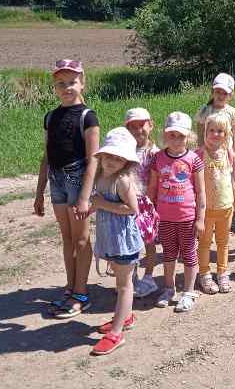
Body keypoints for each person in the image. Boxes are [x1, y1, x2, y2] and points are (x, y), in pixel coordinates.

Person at [34, 59, 99, 319]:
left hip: (77, 179)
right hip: (57, 180)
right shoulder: (51, 116)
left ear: (82, 82)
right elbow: (46, 155)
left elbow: (94, 158)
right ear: (55, 87)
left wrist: (85, 196)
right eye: (61, 83)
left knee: (81, 238)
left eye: (71, 82)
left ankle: (81, 294)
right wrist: (40, 191)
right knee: (67, 238)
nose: (66, 87)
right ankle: (70, 287)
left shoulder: (88, 116)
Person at [87, 127, 144, 355]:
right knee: (119, 282)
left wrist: (101, 204)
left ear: (126, 162)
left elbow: (132, 209)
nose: (111, 161)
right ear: (101, 156)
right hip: (110, 238)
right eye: (108, 156)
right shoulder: (101, 177)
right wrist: (90, 208)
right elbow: (97, 201)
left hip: (124, 240)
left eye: (118, 158)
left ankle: (116, 333)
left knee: (124, 285)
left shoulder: (122, 180)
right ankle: (125, 316)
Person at [148, 112, 206, 312]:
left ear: (188, 137)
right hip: (165, 218)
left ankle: (188, 291)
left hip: (187, 218)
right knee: (169, 254)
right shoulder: (158, 159)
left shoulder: (194, 159)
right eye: (172, 135)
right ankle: (169, 287)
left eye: (180, 136)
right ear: (165, 135)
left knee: (189, 254)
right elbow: (153, 189)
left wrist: (200, 218)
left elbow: (200, 191)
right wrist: (150, 214)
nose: (176, 139)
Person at [196, 113, 235, 294]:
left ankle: (222, 271)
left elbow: (232, 179)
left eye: (221, 131)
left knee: (223, 242)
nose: (216, 134)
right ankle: (204, 273)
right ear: (205, 132)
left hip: (226, 206)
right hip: (206, 208)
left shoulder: (228, 154)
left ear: (226, 135)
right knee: (205, 242)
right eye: (212, 130)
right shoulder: (199, 155)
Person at [195, 73, 235, 236]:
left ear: (230, 95)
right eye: (218, 92)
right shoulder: (205, 110)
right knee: (211, 183)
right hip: (209, 154)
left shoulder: (232, 112)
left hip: (227, 154)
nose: (221, 96)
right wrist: (201, 151)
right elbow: (200, 132)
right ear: (213, 91)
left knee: (234, 182)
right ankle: (210, 216)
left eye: (224, 93)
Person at [123, 108, 160, 298]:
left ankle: (149, 277)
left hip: (148, 204)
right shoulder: (123, 151)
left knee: (149, 241)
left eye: (142, 125)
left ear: (151, 125)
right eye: (133, 127)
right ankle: (131, 277)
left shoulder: (155, 153)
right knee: (131, 242)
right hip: (127, 204)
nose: (138, 130)